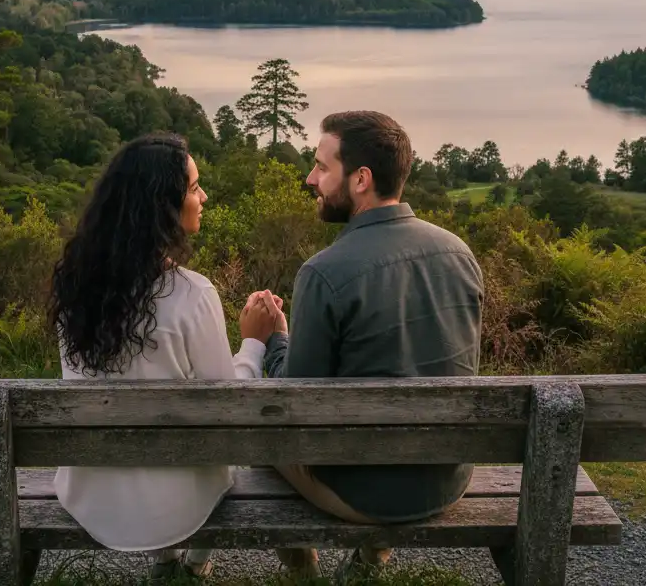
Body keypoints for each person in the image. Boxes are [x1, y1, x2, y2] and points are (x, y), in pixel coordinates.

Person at [49, 132, 281, 582]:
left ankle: (171, 564)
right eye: (194, 188)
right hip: (176, 509)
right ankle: (193, 564)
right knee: (219, 450)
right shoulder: (193, 294)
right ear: (162, 206)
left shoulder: (74, 289)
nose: (204, 196)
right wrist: (252, 343)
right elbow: (226, 408)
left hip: (92, 499)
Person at [263, 111, 484, 581]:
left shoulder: (325, 273)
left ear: (361, 179)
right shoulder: (459, 254)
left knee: (260, 441)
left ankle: (302, 571)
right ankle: (371, 559)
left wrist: (274, 339)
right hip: (447, 478)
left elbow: (294, 404)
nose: (311, 178)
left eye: (322, 167)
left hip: (364, 495)